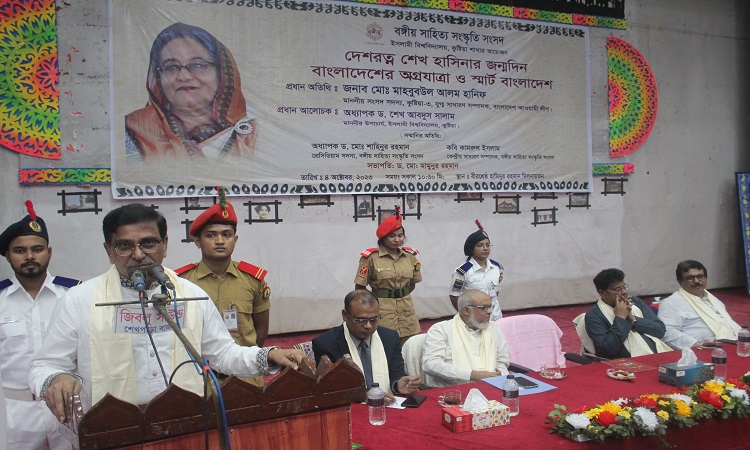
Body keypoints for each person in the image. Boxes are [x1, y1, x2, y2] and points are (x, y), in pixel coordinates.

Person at [28, 203, 303, 424]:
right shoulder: (80, 300)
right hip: (112, 428)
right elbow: (44, 366)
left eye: (148, 243)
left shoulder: (191, 295)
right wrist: (55, 378)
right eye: (124, 246)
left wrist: (268, 355)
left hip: (187, 424)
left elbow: (222, 354)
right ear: (109, 251)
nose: (138, 254)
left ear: (165, 245)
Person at [0, 201, 80, 450]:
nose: (30, 256)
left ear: (50, 252)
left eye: (37, 249)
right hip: (14, 410)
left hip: (69, 406)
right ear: (8, 256)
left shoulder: (73, 294)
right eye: (20, 250)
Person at [177, 190, 271, 387]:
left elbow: (261, 329)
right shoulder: (182, 282)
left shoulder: (252, 280)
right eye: (211, 235)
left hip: (247, 379)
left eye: (226, 235)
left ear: (235, 240)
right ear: (197, 241)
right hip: (199, 380)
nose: (220, 241)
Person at [125, 22, 257, 161]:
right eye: (171, 67)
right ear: (158, 78)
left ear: (222, 72)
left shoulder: (254, 131)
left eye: (198, 65)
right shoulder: (134, 131)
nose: (183, 76)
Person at [312, 290, 420, 404]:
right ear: (345, 315)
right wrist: (362, 395)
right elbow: (329, 388)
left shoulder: (390, 338)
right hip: (351, 408)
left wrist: (398, 384)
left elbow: (396, 372)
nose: (368, 326)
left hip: (387, 405)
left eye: (374, 320)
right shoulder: (326, 344)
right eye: (360, 320)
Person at [354, 206, 421, 343]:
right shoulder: (371, 258)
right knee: (384, 346)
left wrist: (400, 293)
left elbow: (412, 284)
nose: (397, 240)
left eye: (400, 236)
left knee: (409, 347)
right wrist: (373, 306)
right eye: (392, 236)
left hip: (407, 311)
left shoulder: (410, 257)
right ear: (383, 237)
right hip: (383, 311)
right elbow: (359, 288)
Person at [422, 290, 510, 388]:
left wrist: (499, 375)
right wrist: (471, 375)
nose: (489, 311)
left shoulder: (494, 328)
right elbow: (430, 364)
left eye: (490, 306)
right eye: (484, 308)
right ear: (466, 310)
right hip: (451, 391)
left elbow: (502, 361)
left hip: (492, 386)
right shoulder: (441, 329)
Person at [581, 268, 671, 359]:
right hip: (627, 365)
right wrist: (620, 318)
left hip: (659, 353)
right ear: (602, 293)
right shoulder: (594, 315)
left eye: (624, 287)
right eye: (618, 289)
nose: (624, 292)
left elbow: (660, 330)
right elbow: (608, 349)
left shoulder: (636, 302)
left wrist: (634, 320)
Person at [658, 260, 741, 349]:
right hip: (701, 351)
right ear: (680, 281)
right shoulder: (671, 303)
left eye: (700, 276)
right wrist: (696, 344)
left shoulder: (714, 300)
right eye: (690, 278)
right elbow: (667, 333)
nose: (697, 281)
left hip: (731, 345)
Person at [449, 220, 504, 320]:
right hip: (474, 319)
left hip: (496, 316)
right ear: (471, 249)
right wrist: (466, 315)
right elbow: (454, 296)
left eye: (488, 245)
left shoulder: (496, 267)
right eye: (480, 245)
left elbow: (496, 292)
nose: (485, 248)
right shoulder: (463, 271)